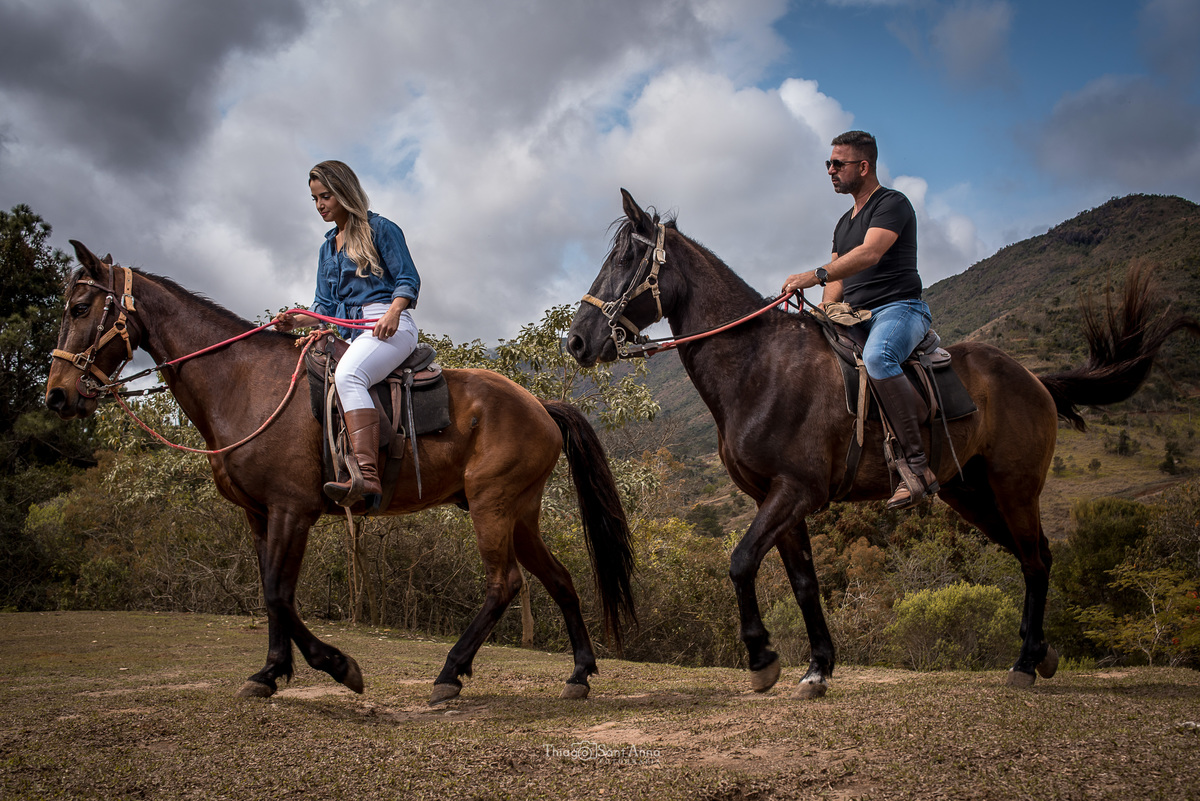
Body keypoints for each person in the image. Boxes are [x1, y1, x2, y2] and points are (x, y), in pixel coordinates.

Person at [782, 130, 937, 509]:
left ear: (863, 166)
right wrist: (823, 310)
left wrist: (813, 275)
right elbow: (838, 278)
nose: (830, 170)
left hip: (899, 309)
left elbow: (870, 253)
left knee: (879, 358)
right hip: (855, 316)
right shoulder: (842, 223)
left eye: (838, 164)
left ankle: (917, 468)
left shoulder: (892, 204)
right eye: (828, 163)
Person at [273, 160, 421, 509]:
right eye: (315, 199)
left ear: (344, 193)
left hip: (389, 325)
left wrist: (394, 312)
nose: (320, 205)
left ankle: (367, 474)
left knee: (349, 375)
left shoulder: (380, 229)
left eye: (326, 196)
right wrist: (296, 321)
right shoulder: (327, 248)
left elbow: (408, 278)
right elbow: (324, 306)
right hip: (350, 333)